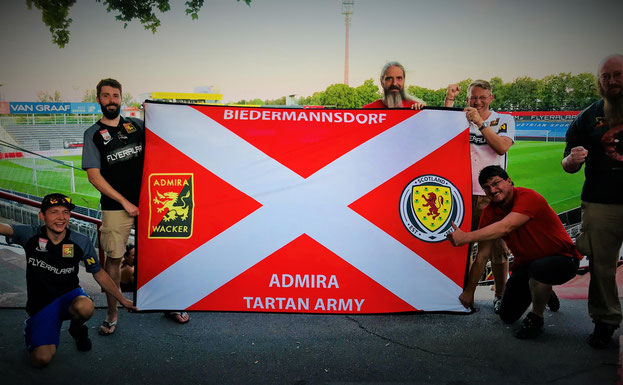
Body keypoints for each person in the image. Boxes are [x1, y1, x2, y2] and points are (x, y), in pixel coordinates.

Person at [82, 78, 189, 331]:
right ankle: (112, 313)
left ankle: (168, 303)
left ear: (121, 98)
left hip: (151, 204)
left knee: (161, 254)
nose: (111, 100)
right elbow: (94, 176)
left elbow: (166, 136)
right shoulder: (93, 134)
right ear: (98, 99)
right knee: (114, 260)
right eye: (106, 96)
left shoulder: (137, 125)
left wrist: (154, 112)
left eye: (115, 96)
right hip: (115, 207)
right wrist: (125, 202)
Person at [0, 193, 137, 367]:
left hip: (69, 296)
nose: (61, 217)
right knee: (41, 359)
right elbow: (3, 228)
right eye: (54, 212)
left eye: (65, 212)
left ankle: (77, 329)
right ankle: (33, 326)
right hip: (42, 304)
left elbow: (99, 273)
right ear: (42, 215)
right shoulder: (30, 234)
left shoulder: (80, 241)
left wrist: (122, 299)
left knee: (86, 307)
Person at [448, 166, 582, 339]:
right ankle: (544, 292)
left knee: (540, 270)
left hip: (563, 259)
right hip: (527, 266)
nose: (493, 190)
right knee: (507, 315)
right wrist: (469, 291)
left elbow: (506, 226)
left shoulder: (528, 197)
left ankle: (536, 318)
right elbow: (482, 255)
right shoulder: (489, 213)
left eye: (496, 183)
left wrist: (465, 237)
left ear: (509, 181)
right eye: (487, 188)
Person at [443, 80, 521, 313]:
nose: (477, 101)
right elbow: (441, 130)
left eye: (482, 97)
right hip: (464, 194)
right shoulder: (461, 118)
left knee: (498, 249)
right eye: (473, 97)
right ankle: (464, 295)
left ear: (491, 98)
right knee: (463, 247)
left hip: (493, 195)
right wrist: (449, 100)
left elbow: (501, 148)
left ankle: (500, 294)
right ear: (467, 99)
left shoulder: (503, 119)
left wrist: (480, 122)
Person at [562, 53, 623, 348]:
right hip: (600, 202)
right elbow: (567, 164)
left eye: (617, 75)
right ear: (599, 81)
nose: (612, 81)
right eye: (606, 76)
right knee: (601, 266)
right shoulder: (587, 117)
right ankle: (605, 319)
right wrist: (572, 160)